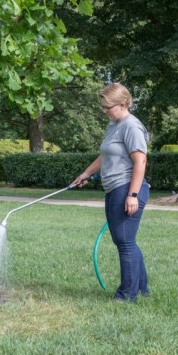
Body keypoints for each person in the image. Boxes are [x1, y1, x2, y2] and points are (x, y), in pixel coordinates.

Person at [71, 82, 150, 302]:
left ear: (123, 104)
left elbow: (140, 161)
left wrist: (132, 195)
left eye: (108, 107)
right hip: (114, 188)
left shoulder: (131, 126)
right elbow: (105, 155)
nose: (105, 112)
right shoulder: (114, 125)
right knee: (125, 240)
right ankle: (142, 288)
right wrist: (86, 174)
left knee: (125, 242)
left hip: (127, 188)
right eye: (103, 107)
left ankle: (127, 295)